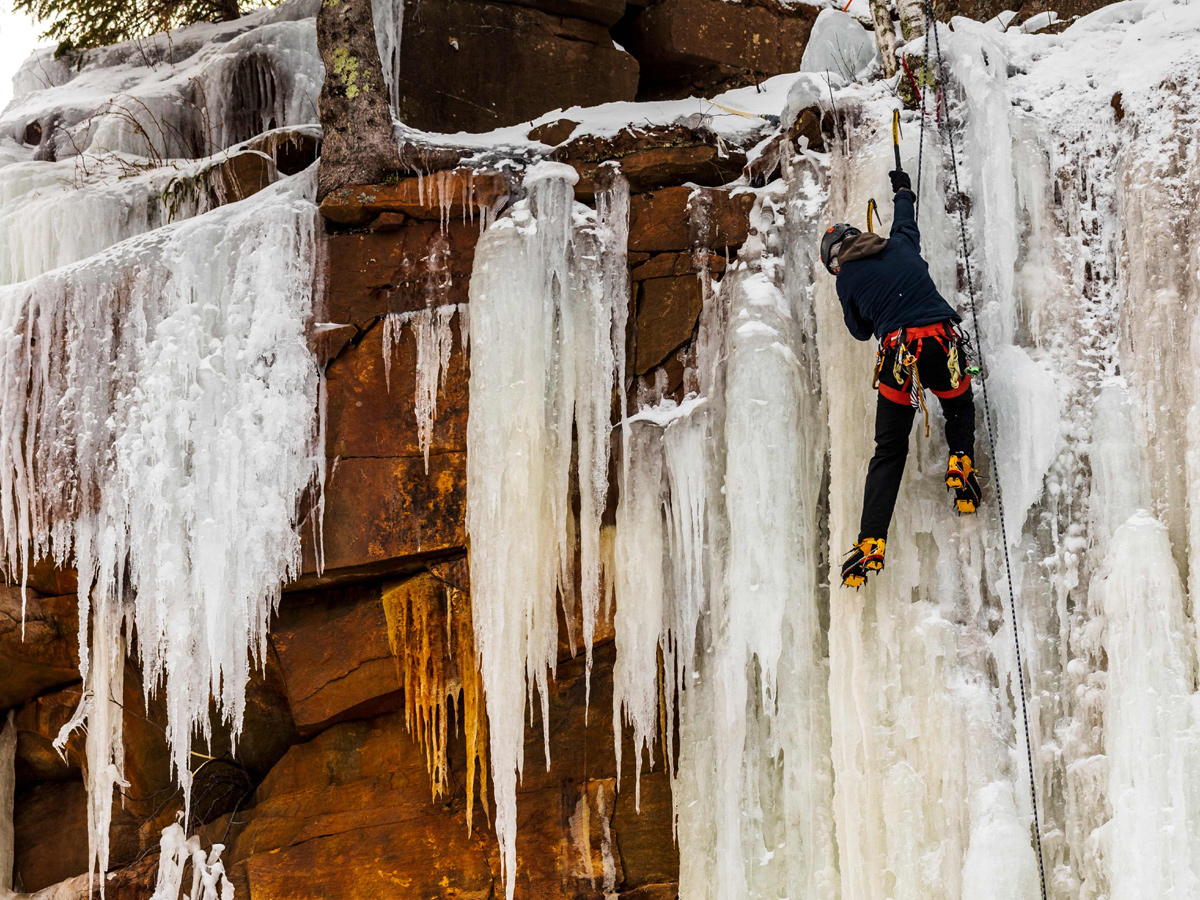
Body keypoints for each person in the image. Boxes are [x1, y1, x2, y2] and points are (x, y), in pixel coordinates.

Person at [821, 170, 982, 589]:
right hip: (941, 341)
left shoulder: (847, 280)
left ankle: (871, 540)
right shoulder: (899, 244)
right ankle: (960, 462)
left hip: (899, 355)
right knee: (959, 405)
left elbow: (858, 331)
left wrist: (858, 292)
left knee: (889, 450)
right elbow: (906, 220)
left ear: (837, 260)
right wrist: (903, 190)